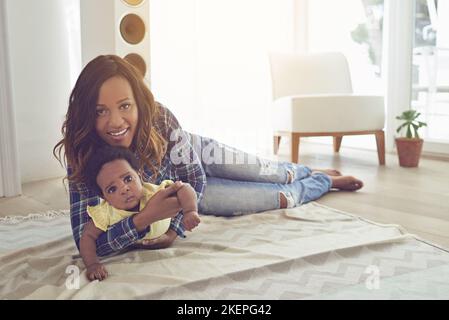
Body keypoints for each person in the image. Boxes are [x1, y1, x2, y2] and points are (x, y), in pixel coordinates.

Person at [53, 55, 363, 259]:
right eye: (100, 111)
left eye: (124, 106)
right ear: (86, 114)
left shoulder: (158, 117)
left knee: (271, 172)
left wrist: (175, 229)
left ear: (138, 103)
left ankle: (305, 169)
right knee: (281, 196)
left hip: (195, 154)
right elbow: (86, 240)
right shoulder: (82, 150)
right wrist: (144, 219)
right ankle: (323, 181)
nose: (116, 122)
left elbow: (195, 176)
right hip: (179, 190)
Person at [79, 145, 199, 281]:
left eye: (128, 179)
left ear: (139, 175)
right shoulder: (106, 212)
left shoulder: (154, 192)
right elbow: (87, 236)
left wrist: (190, 210)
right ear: (104, 198)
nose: (124, 189)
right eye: (112, 189)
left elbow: (185, 188)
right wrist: (92, 264)